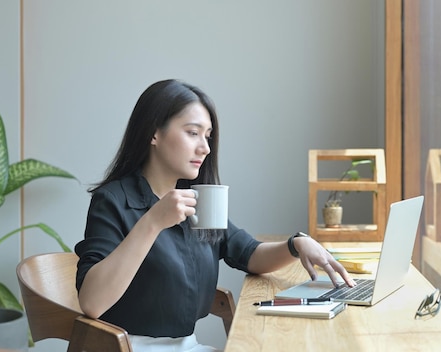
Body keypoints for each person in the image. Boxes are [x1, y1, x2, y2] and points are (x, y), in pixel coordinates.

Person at [74, 79, 355, 352]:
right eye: (192, 133)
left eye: (208, 136)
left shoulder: (197, 200)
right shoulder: (113, 201)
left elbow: (249, 254)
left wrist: (296, 244)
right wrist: (153, 222)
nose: (205, 148)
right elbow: (92, 302)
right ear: (154, 133)